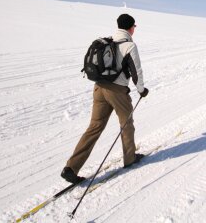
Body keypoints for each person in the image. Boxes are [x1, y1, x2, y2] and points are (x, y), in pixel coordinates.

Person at [61, 14, 149, 184]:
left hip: (99, 88)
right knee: (126, 124)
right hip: (117, 92)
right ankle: (129, 158)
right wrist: (141, 90)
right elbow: (136, 71)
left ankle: (71, 168)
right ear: (131, 28)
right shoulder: (129, 45)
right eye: (134, 27)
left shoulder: (107, 42)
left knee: (94, 127)